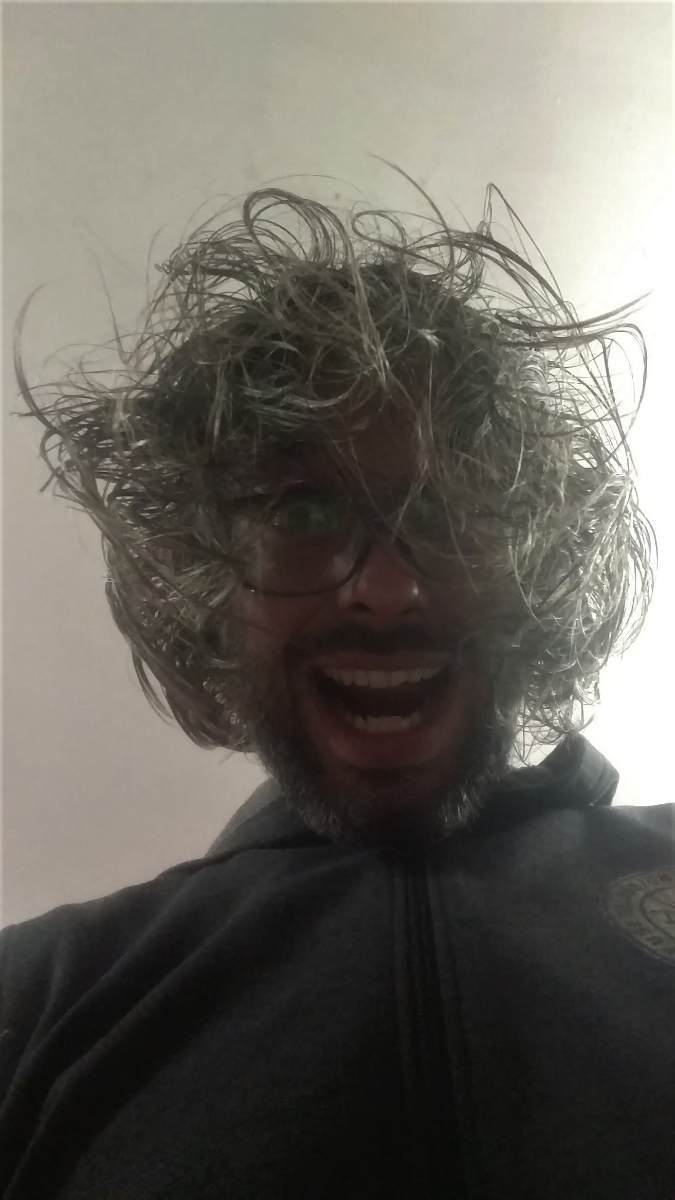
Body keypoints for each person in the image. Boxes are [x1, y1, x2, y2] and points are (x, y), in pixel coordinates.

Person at [2, 165, 673, 1199]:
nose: (388, 589)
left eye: (445, 514)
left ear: (533, 567)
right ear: (204, 581)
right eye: (305, 512)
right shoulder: (43, 992)